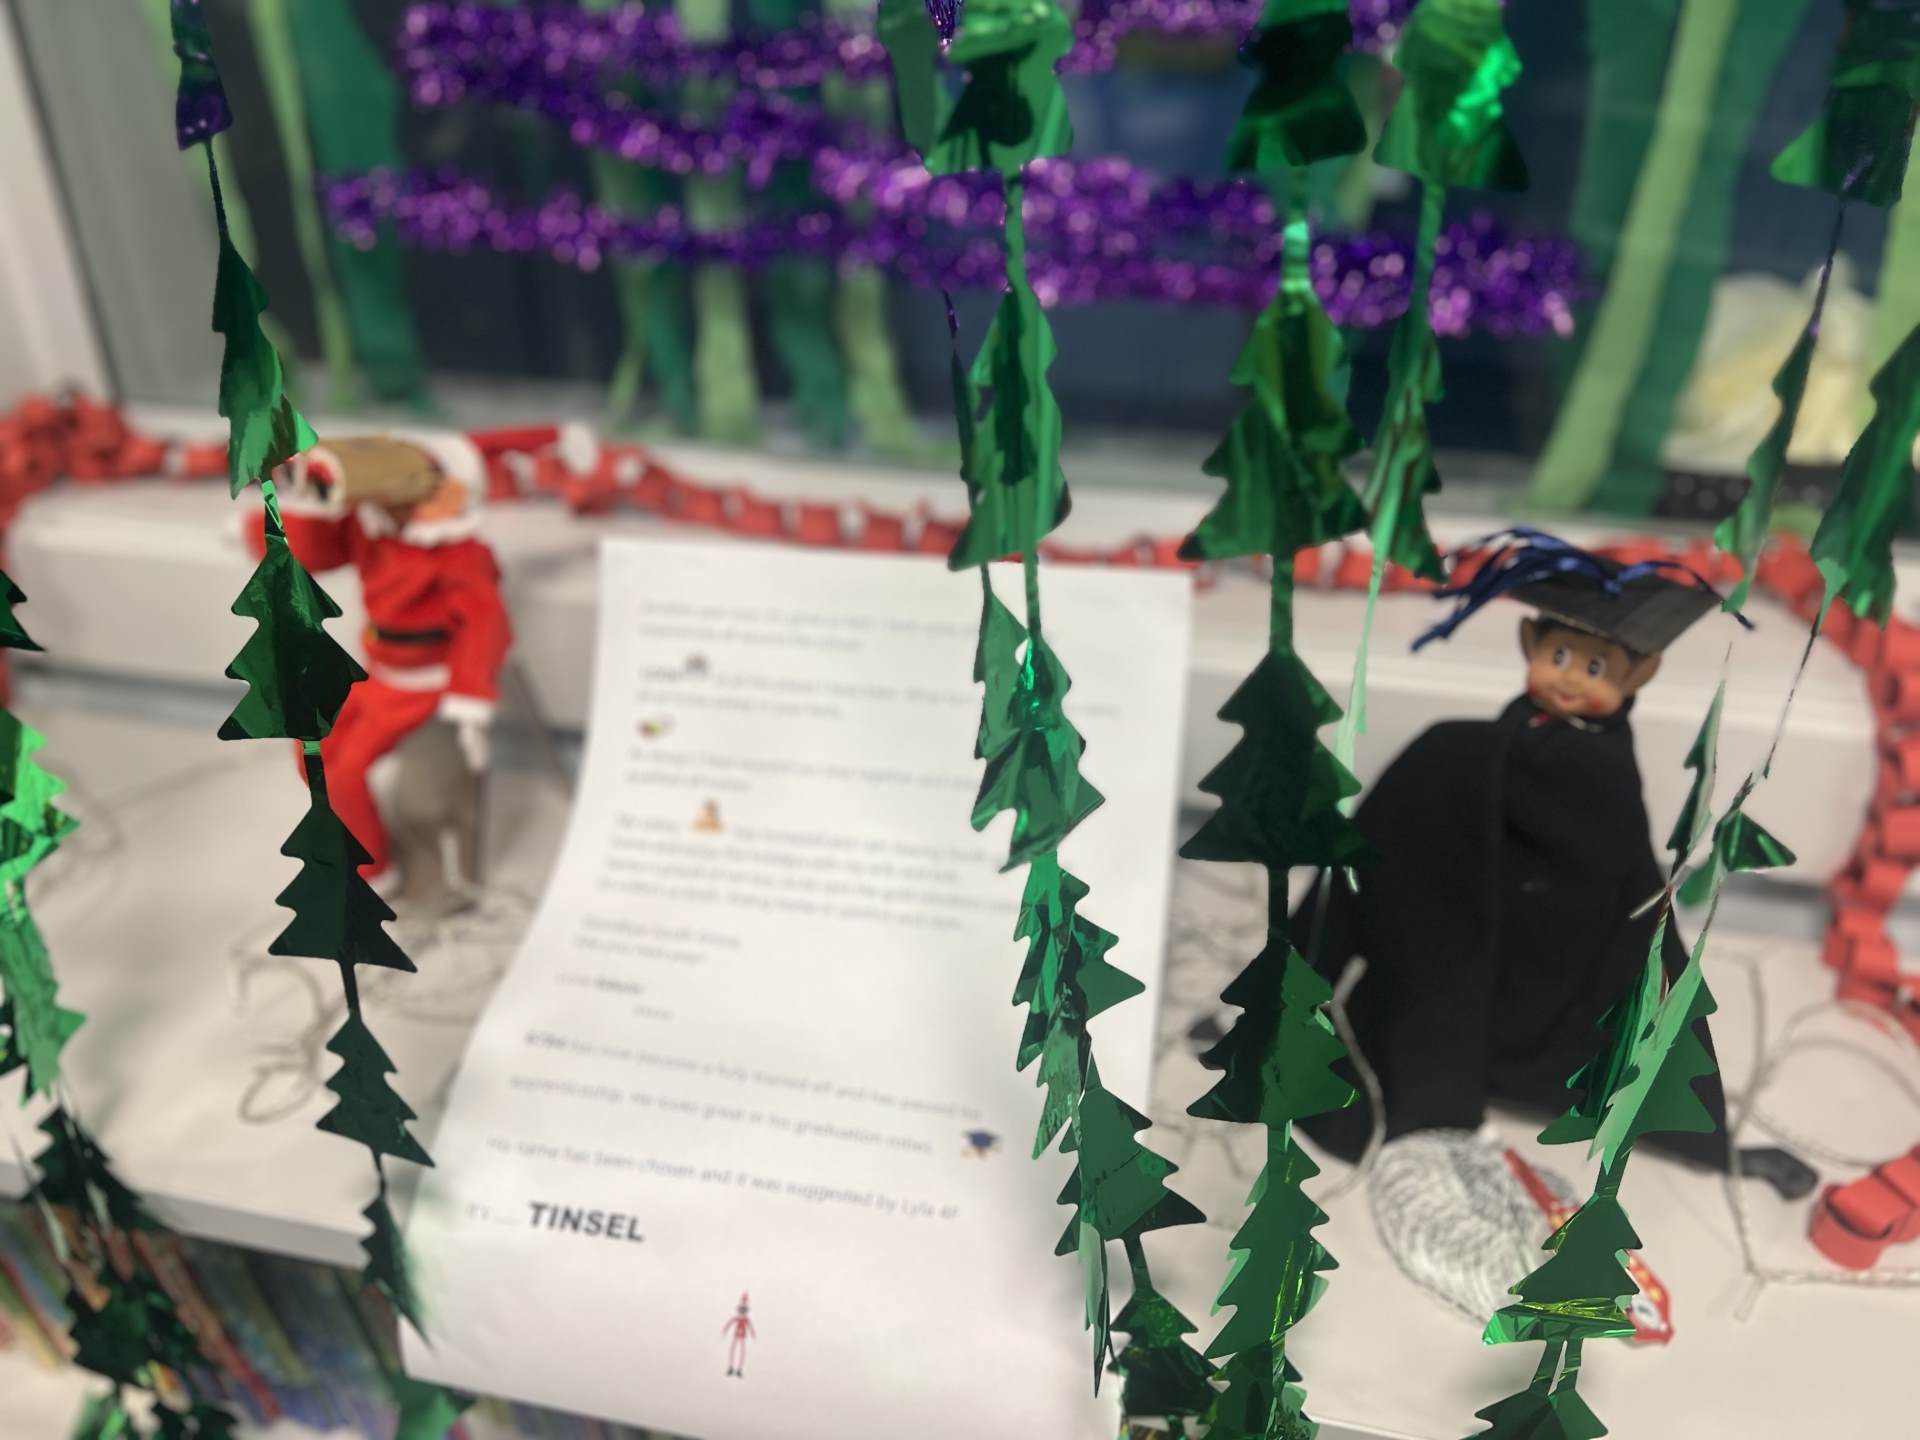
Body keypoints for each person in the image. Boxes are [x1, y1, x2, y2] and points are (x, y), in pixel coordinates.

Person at [1291, 530, 1815, 1199]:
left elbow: (1612, 864)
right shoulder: (1479, 747)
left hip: (1547, 961)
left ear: (1637, 677)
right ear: (1529, 646)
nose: (1568, 677)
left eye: (1595, 668)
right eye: (1558, 656)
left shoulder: (1600, 771)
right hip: (1463, 938)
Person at [270, 432, 511, 890]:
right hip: (380, 675)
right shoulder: (374, 532)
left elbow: (485, 626)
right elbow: (315, 554)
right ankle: (360, 846)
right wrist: (307, 500)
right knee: (313, 747)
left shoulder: (462, 555)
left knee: (350, 769)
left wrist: (471, 696)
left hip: (426, 686)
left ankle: (376, 867)